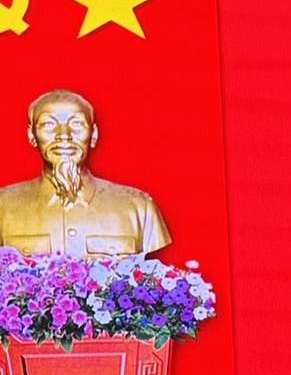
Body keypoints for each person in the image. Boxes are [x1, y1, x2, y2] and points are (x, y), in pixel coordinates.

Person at [0, 89, 173, 258]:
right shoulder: (3, 205)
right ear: (31, 135)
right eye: (49, 124)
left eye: (76, 123)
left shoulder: (139, 207)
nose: (64, 135)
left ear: (94, 135)